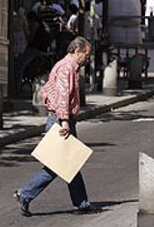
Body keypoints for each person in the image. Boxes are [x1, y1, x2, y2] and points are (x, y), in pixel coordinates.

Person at [14, 37, 95, 216]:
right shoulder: (67, 68)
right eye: (86, 54)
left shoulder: (70, 67)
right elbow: (63, 96)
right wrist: (65, 120)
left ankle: (81, 203)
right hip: (60, 120)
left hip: (62, 118)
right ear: (76, 51)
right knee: (58, 165)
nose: (87, 58)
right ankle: (25, 193)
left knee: (70, 163)